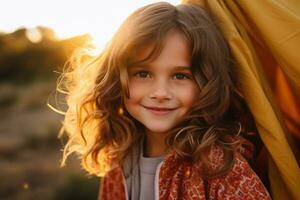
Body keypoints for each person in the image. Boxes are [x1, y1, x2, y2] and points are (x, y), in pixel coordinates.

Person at [57, 2, 271, 199]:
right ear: (116, 79)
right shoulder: (119, 159)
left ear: (207, 84)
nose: (160, 93)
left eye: (180, 76)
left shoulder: (218, 165)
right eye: (143, 73)